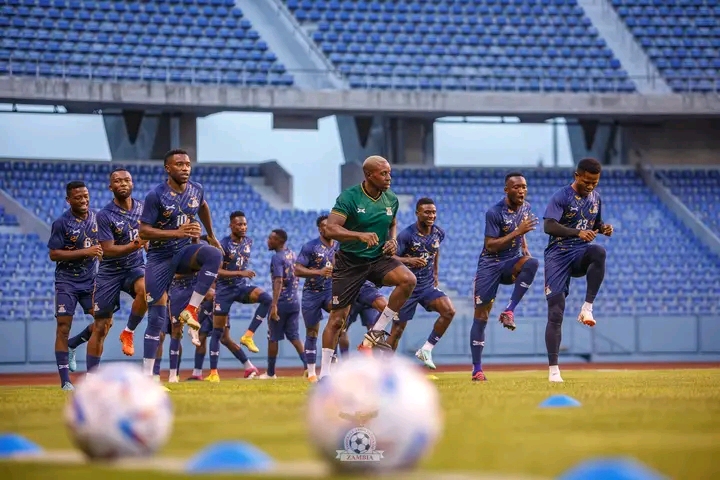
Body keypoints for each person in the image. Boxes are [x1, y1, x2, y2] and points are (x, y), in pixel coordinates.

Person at [319, 155, 417, 380]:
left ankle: (375, 332)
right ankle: (324, 375)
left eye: (389, 172)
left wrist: (392, 240)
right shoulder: (349, 197)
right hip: (350, 262)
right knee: (337, 320)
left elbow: (392, 223)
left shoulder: (391, 199)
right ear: (369, 175)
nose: (389, 177)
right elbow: (331, 229)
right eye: (383, 173)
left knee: (408, 280)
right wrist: (359, 236)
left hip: (377, 258)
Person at [138, 149, 223, 377]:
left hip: (184, 252)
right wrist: (177, 232)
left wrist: (211, 235)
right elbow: (144, 231)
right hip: (160, 258)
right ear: (168, 168)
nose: (185, 168)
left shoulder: (196, 189)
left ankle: (191, 309)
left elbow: (202, 206)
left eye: (187, 164)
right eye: (179, 164)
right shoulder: (156, 195)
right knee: (156, 320)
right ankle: (148, 377)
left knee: (214, 255)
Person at [543, 158, 613, 383]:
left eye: (595, 182)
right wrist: (577, 232)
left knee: (599, 252)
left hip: (579, 254)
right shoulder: (561, 196)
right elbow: (548, 226)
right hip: (558, 256)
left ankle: (587, 308)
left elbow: (596, 224)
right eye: (587, 181)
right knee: (556, 312)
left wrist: (603, 228)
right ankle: (554, 371)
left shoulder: (596, 198)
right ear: (577, 176)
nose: (591, 186)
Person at [471, 172, 540, 382]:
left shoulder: (526, 207)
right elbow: (490, 245)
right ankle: (477, 370)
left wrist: (524, 246)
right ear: (506, 190)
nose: (521, 191)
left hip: (510, 262)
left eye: (524, 187)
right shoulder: (494, 213)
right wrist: (517, 232)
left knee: (532, 263)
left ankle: (509, 310)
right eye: (516, 187)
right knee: (481, 316)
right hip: (490, 265)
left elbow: (522, 232)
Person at [85, 168, 147, 372]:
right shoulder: (104, 215)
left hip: (134, 267)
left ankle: (128, 331)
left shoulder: (143, 208)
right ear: (110, 187)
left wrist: (149, 246)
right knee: (101, 327)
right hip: (110, 272)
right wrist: (136, 244)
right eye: (118, 181)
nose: (123, 184)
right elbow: (108, 250)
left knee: (146, 289)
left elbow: (149, 237)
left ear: (132, 183)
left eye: (127, 180)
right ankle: (92, 378)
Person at [47, 181, 101, 390]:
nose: (83, 200)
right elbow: (54, 254)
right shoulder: (61, 223)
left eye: (86, 196)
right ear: (68, 200)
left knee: (104, 322)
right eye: (78, 197)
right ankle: (65, 382)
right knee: (63, 327)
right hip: (67, 282)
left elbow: (103, 246)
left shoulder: (98, 218)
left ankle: (74, 343)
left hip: (91, 281)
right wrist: (85, 252)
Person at [392, 197, 455, 370]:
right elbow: (391, 258)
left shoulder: (439, 232)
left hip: (427, 286)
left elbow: (435, 250)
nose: (431, 215)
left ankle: (426, 349)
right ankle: (385, 368)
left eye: (433, 212)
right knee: (397, 331)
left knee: (449, 311)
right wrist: (409, 260)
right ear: (417, 213)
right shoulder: (406, 235)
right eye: (427, 212)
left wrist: (435, 272)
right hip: (407, 289)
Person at [213, 211, 273, 358]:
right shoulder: (222, 245)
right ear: (231, 226)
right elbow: (218, 271)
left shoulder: (248, 241)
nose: (243, 227)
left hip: (240, 288)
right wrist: (240, 273)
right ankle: (213, 370)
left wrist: (241, 275)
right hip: (224, 291)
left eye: (245, 224)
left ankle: (248, 336)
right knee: (218, 333)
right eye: (239, 224)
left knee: (267, 299)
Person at [257, 229, 307, 379]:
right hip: (294, 302)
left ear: (279, 241)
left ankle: (271, 373)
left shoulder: (277, 257)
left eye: (271, 239)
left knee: (273, 337)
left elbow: (278, 280)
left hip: (281, 303)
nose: (268, 241)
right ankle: (309, 367)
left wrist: (274, 305)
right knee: (294, 336)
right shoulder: (292, 254)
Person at [295, 214, 338, 383]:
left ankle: (331, 364)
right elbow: (297, 270)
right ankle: (312, 372)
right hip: (311, 293)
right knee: (312, 332)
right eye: (326, 226)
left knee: (338, 320)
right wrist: (319, 272)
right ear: (320, 229)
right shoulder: (310, 247)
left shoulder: (340, 246)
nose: (329, 228)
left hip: (330, 291)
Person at [338, 281, 386, 358]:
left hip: (357, 290)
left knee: (342, 330)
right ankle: (345, 360)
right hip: (360, 291)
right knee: (342, 330)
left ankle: (377, 360)